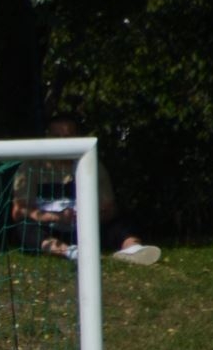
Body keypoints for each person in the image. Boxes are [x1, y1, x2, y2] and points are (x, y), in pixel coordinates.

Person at [10, 114, 161, 266]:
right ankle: (70, 252)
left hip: (86, 229)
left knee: (120, 221)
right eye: (57, 136)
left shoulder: (92, 165)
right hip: (50, 228)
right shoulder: (31, 166)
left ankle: (133, 248)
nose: (62, 142)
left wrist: (86, 217)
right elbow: (19, 210)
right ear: (48, 137)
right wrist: (56, 217)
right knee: (26, 227)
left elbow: (110, 208)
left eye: (67, 137)